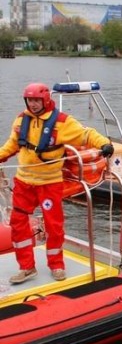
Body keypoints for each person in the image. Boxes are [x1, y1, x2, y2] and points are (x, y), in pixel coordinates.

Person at [0, 82, 113, 284]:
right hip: (24, 181)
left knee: (54, 225)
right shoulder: (20, 120)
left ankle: (56, 265)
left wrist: (104, 143)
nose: (33, 104)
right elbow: (11, 145)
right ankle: (26, 267)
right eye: (30, 100)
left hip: (49, 182)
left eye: (36, 100)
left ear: (45, 100)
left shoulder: (62, 122)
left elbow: (85, 133)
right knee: (18, 224)